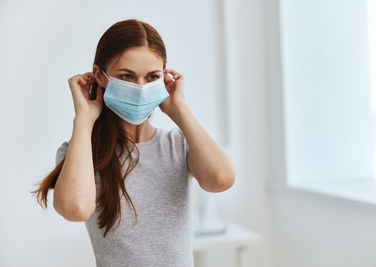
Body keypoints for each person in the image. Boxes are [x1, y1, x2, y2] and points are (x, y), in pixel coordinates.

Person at [31, 18, 236, 267]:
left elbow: (221, 180)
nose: (140, 88)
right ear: (100, 76)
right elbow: (75, 209)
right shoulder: (81, 152)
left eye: (151, 77)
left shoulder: (177, 145)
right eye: (127, 76)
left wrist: (179, 109)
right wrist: (84, 118)